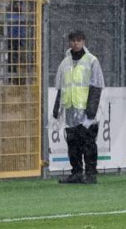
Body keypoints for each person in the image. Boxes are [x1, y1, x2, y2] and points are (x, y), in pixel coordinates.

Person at [53, 30, 104, 184]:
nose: (75, 43)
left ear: (84, 42)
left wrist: (91, 110)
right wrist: (57, 110)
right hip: (70, 109)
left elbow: (96, 86)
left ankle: (90, 174)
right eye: (73, 40)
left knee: (88, 143)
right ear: (69, 42)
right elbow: (61, 87)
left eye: (78, 40)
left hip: (86, 110)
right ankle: (76, 172)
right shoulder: (65, 63)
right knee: (73, 144)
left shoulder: (91, 60)